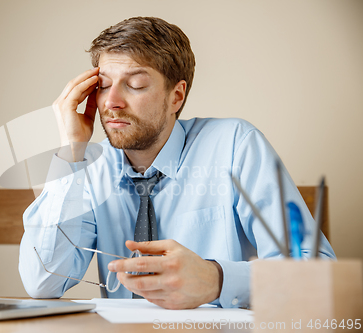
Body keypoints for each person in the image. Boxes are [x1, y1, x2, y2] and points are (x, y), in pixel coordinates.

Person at [19, 16, 335, 309]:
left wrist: (217, 280)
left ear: (177, 96)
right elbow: (43, 282)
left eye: (136, 84)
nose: (111, 102)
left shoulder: (236, 144)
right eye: (102, 85)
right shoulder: (89, 168)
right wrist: (71, 152)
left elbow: (318, 275)